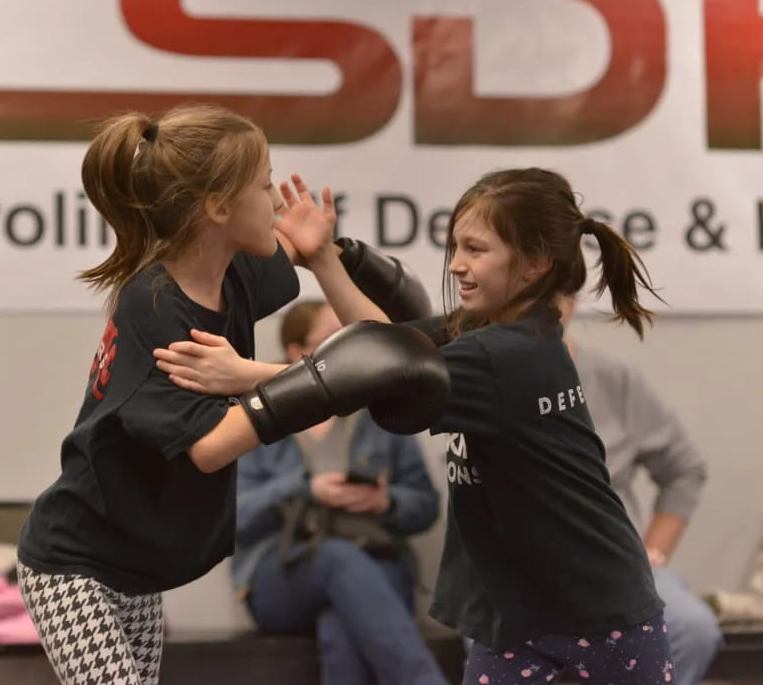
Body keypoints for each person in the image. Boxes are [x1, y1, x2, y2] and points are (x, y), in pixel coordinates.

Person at [156, 168, 677, 683]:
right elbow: (386, 348)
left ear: (536, 263)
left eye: (476, 249)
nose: (456, 265)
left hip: (597, 612)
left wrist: (246, 374)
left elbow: (381, 377)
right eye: (455, 247)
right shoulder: (484, 332)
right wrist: (323, 260)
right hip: (517, 615)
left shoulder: (507, 354)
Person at [15, 103, 449, 685]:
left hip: (135, 562)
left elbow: (379, 349)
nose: (276, 202)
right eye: (266, 185)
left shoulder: (229, 273)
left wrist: (322, 258)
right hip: (75, 561)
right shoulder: (156, 305)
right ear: (217, 207)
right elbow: (212, 446)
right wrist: (306, 378)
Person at [231, 300, 446, 685]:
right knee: (335, 557)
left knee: (340, 628)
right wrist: (305, 489)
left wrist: (385, 501)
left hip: (378, 562)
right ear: (299, 353)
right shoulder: (259, 419)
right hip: (281, 573)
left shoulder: (381, 414)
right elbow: (232, 521)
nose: (345, 350)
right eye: (333, 340)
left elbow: (426, 506)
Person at [559, 294, 722, 685]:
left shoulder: (614, 381)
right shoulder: (483, 382)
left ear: (568, 300)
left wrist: (654, 552)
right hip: (518, 579)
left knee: (690, 628)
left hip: (618, 567)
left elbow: (684, 468)